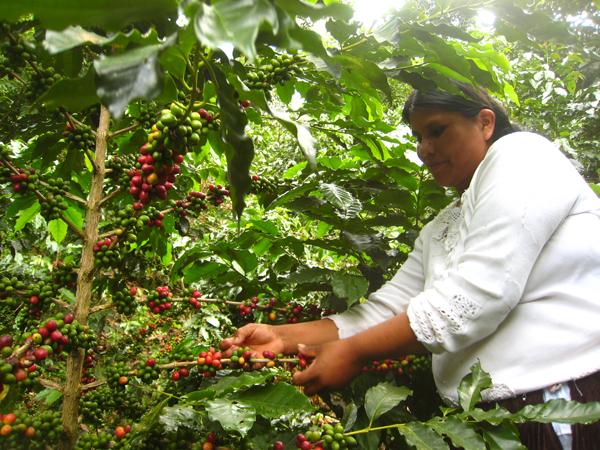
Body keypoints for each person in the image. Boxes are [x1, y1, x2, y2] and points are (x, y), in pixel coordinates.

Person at [221, 83, 600, 449]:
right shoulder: (442, 226)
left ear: (485, 123)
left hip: (558, 398)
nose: (424, 149)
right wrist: (282, 337)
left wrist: (354, 353)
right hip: (484, 418)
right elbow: (387, 310)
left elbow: (478, 296)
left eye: (437, 131)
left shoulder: (522, 156)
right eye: (418, 136)